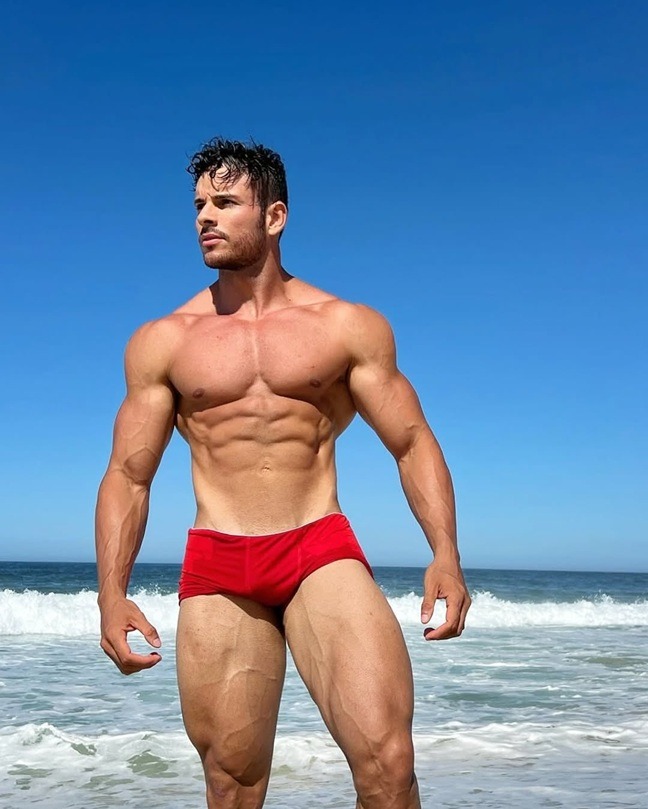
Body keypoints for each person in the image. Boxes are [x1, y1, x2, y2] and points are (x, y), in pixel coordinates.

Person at [95, 137, 471, 809]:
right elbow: (128, 474)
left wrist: (445, 552)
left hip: (317, 544)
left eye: (225, 202)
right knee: (231, 782)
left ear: (274, 216)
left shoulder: (347, 326)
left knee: (390, 765)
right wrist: (110, 593)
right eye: (199, 204)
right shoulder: (165, 340)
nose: (204, 216)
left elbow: (412, 441)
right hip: (220, 561)